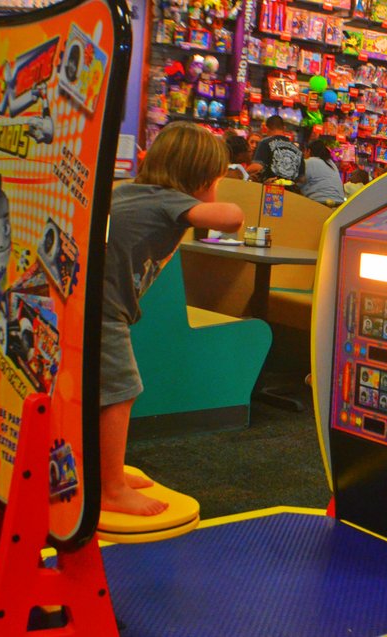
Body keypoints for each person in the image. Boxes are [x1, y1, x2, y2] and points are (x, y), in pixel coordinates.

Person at [101, 121, 243, 516]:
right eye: (214, 179)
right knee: (120, 391)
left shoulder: (131, 190)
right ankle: (110, 488)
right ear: (198, 178)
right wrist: (218, 198)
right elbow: (230, 218)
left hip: (93, 306)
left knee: (99, 393)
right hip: (103, 313)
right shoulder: (169, 201)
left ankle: (100, 471)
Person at [246, 115, 305, 184]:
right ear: (284, 128)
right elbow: (302, 179)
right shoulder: (297, 149)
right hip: (291, 192)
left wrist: (244, 171)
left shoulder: (265, 142)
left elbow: (257, 167)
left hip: (271, 190)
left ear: (267, 129)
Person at [299, 139, 345, 206]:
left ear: (309, 151)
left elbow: (298, 181)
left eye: (304, 152)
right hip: (339, 204)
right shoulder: (331, 164)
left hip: (321, 203)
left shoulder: (310, 162)